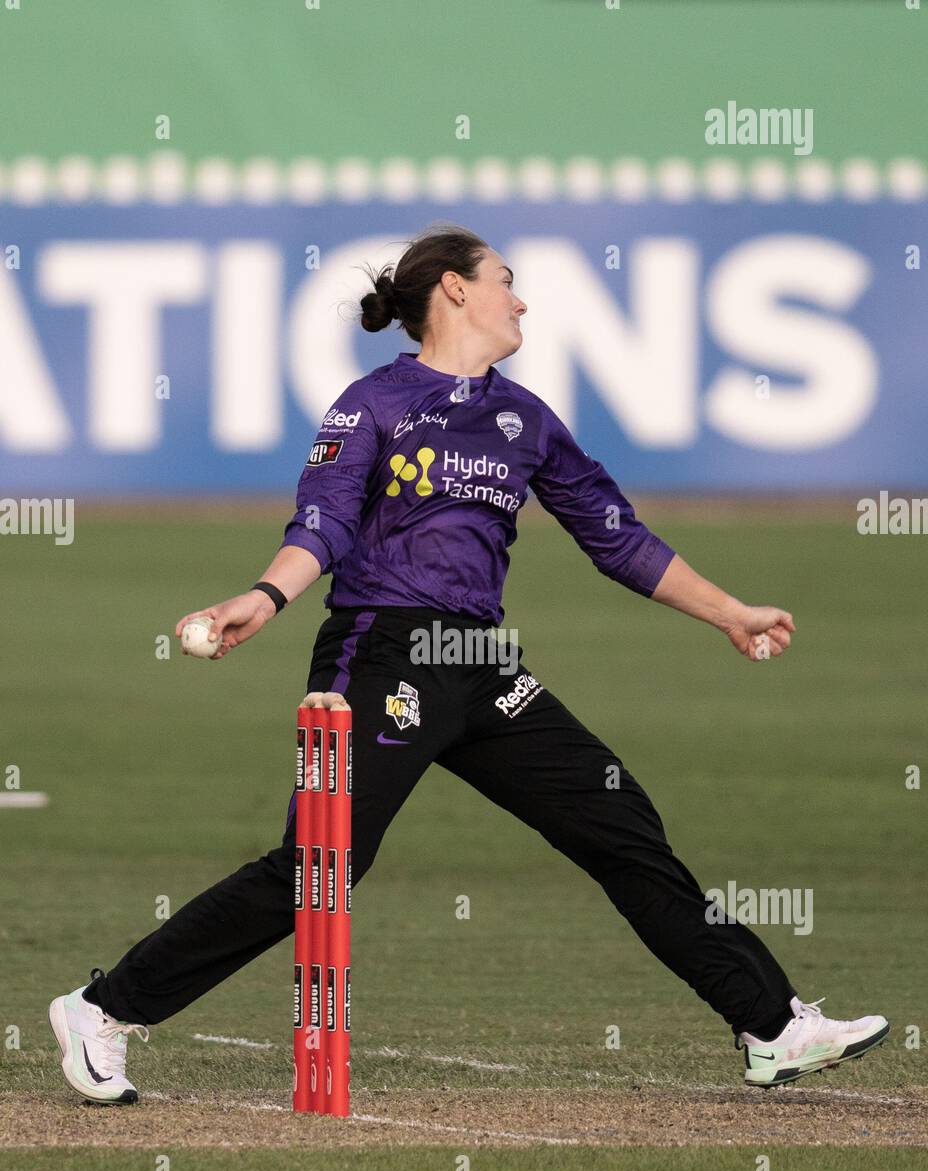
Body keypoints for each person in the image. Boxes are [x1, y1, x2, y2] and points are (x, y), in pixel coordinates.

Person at [49, 222, 889, 1105]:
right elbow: (324, 522)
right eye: (505, 280)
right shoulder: (371, 402)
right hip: (379, 651)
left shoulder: (525, 418)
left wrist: (731, 614)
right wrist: (262, 596)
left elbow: (615, 537)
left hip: (481, 665)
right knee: (320, 864)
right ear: (453, 289)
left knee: (620, 821)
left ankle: (772, 1025)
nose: (519, 299)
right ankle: (102, 1010)